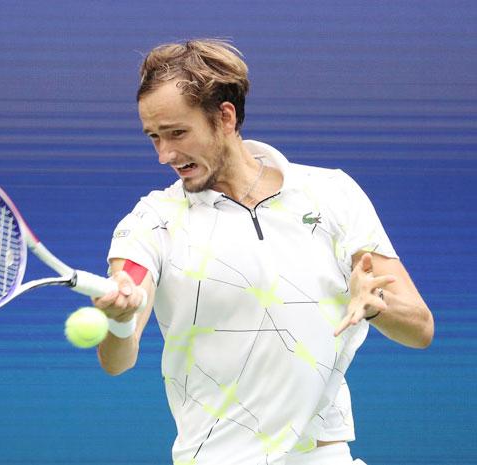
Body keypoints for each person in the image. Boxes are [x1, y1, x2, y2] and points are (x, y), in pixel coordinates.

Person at [92, 39, 434, 465]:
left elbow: (421, 329)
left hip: (325, 455)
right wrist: (120, 321)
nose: (165, 155)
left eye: (177, 133)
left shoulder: (332, 194)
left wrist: (375, 306)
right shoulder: (150, 222)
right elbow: (116, 360)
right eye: (154, 137)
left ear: (225, 117)